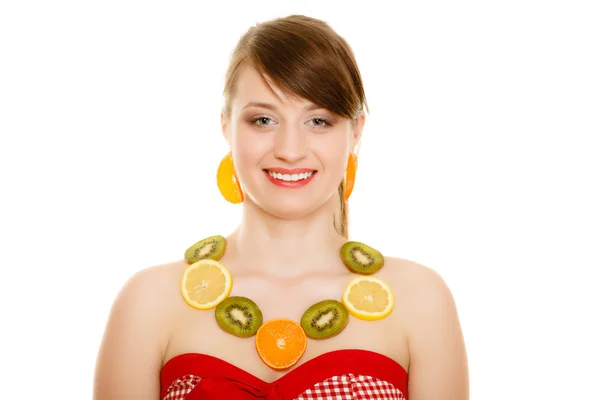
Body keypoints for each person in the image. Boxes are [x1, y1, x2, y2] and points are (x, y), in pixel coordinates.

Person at [93, 14, 469, 400]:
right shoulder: (148, 301)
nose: (290, 150)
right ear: (226, 126)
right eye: (263, 119)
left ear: (355, 131)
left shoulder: (420, 300)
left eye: (319, 121)